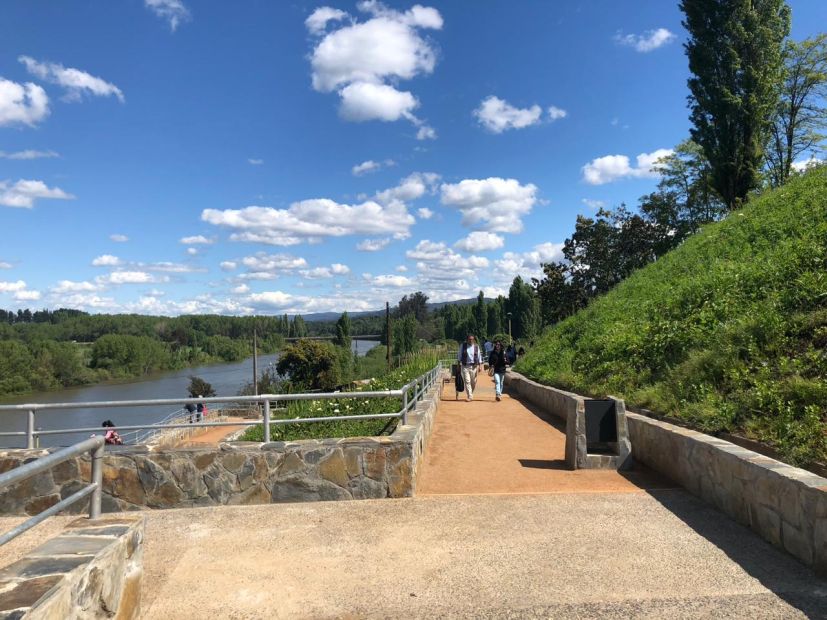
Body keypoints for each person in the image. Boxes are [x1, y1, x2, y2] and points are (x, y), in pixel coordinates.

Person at [456, 334, 483, 401]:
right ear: (467, 339)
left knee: (473, 382)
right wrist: (458, 365)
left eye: (472, 339)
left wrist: (480, 366)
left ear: (473, 340)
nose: (471, 340)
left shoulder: (476, 347)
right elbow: (459, 356)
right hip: (465, 366)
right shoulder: (463, 346)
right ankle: (470, 396)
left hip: (474, 367)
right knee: (467, 381)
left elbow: (479, 356)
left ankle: (470, 393)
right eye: (469, 339)